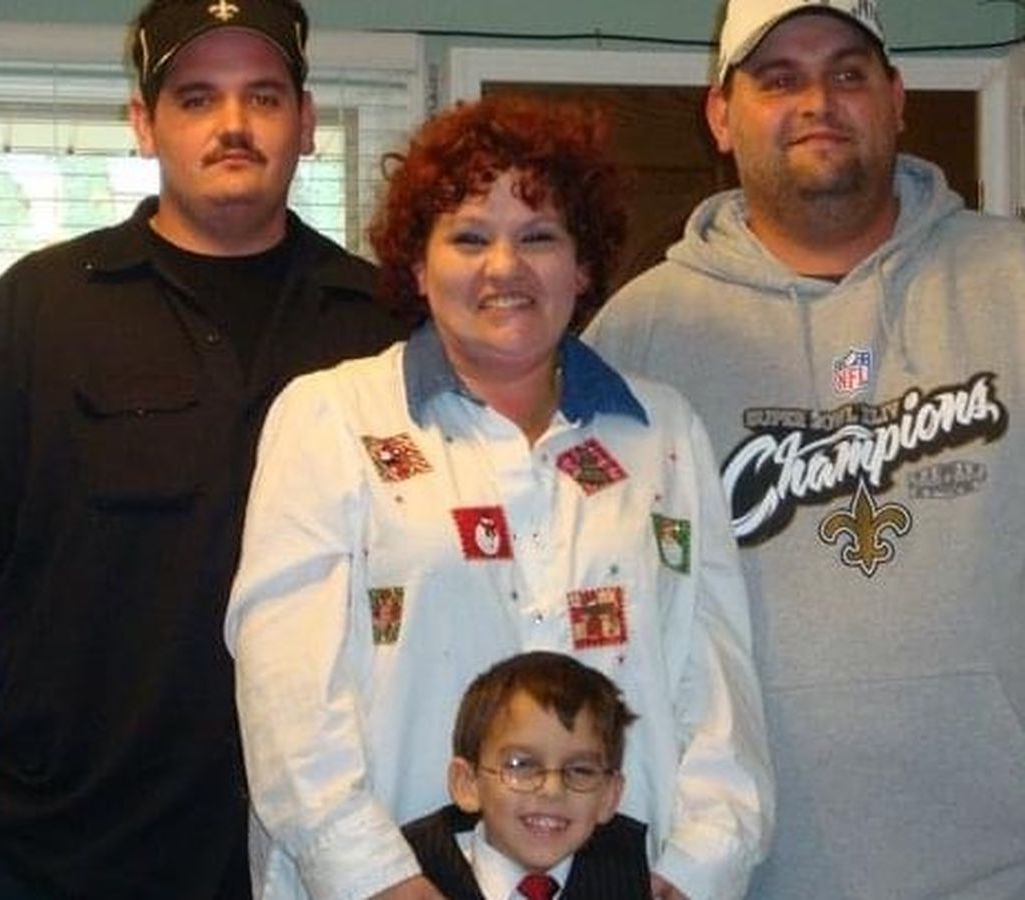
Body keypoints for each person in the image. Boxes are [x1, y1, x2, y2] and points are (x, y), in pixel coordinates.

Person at [0, 0, 407, 897]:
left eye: (264, 96)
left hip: (324, 859)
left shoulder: (384, 325)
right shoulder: (40, 310)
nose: (233, 124)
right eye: (196, 98)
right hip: (66, 860)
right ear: (143, 123)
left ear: (307, 123)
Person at [225, 94, 773, 900]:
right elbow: (287, 693)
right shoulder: (331, 418)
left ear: (582, 266)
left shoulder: (662, 432)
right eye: (470, 238)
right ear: (419, 266)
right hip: (395, 879)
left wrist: (698, 868)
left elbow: (717, 678)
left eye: (539, 236)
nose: (505, 267)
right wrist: (376, 879)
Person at [583, 0, 1025, 896]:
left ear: (897, 98)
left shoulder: (1012, 283)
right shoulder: (639, 334)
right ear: (720, 114)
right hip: (737, 870)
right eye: (779, 79)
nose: (818, 102)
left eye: (847, 74)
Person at [401, 650, 653, 899]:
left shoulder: (631, 874)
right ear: (467, 783)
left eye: (580, 770)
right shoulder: (411, 876)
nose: (552, 790)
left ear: (609, 795)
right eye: (521, 765)